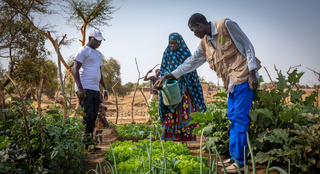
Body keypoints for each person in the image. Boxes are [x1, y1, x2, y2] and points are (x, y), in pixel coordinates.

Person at [155, 13, 261, 173]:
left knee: (239, 118)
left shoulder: (226, 25)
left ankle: (240, 161)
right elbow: (191, 62)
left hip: (245, 77)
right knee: (232, 117)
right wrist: (170, 75)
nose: (194, 34)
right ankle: (233, 158)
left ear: (199, 25)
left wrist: (253, 72)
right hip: (231, 84)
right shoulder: (204, 44)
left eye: (193, 30)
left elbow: (247, 45)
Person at [158, 32, 206, 143]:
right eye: (170, 44)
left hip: (184, 88)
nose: (172, 46)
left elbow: (190, 70)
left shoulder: (185, 53)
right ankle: (169, 137)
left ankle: (185, 137)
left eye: (174, 44)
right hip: (170, 89)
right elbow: (163, 68)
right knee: (170, 111)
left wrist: (180, 77)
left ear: (179, 43)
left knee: (184, 111)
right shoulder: (166, 53)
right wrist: (167, 78)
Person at [73, 29, 108, 153]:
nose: (99, 43)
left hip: (95, 89)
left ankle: (89, 144)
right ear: (90, 39)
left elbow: (99, 72)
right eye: (97, 40)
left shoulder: (98, 54)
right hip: (85, 89)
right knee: (88, 117)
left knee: (93, 118)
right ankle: (85, 146)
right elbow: (75, 69)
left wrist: (104, 88)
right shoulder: (83, 50)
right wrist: (80, 88)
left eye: (100, 41)